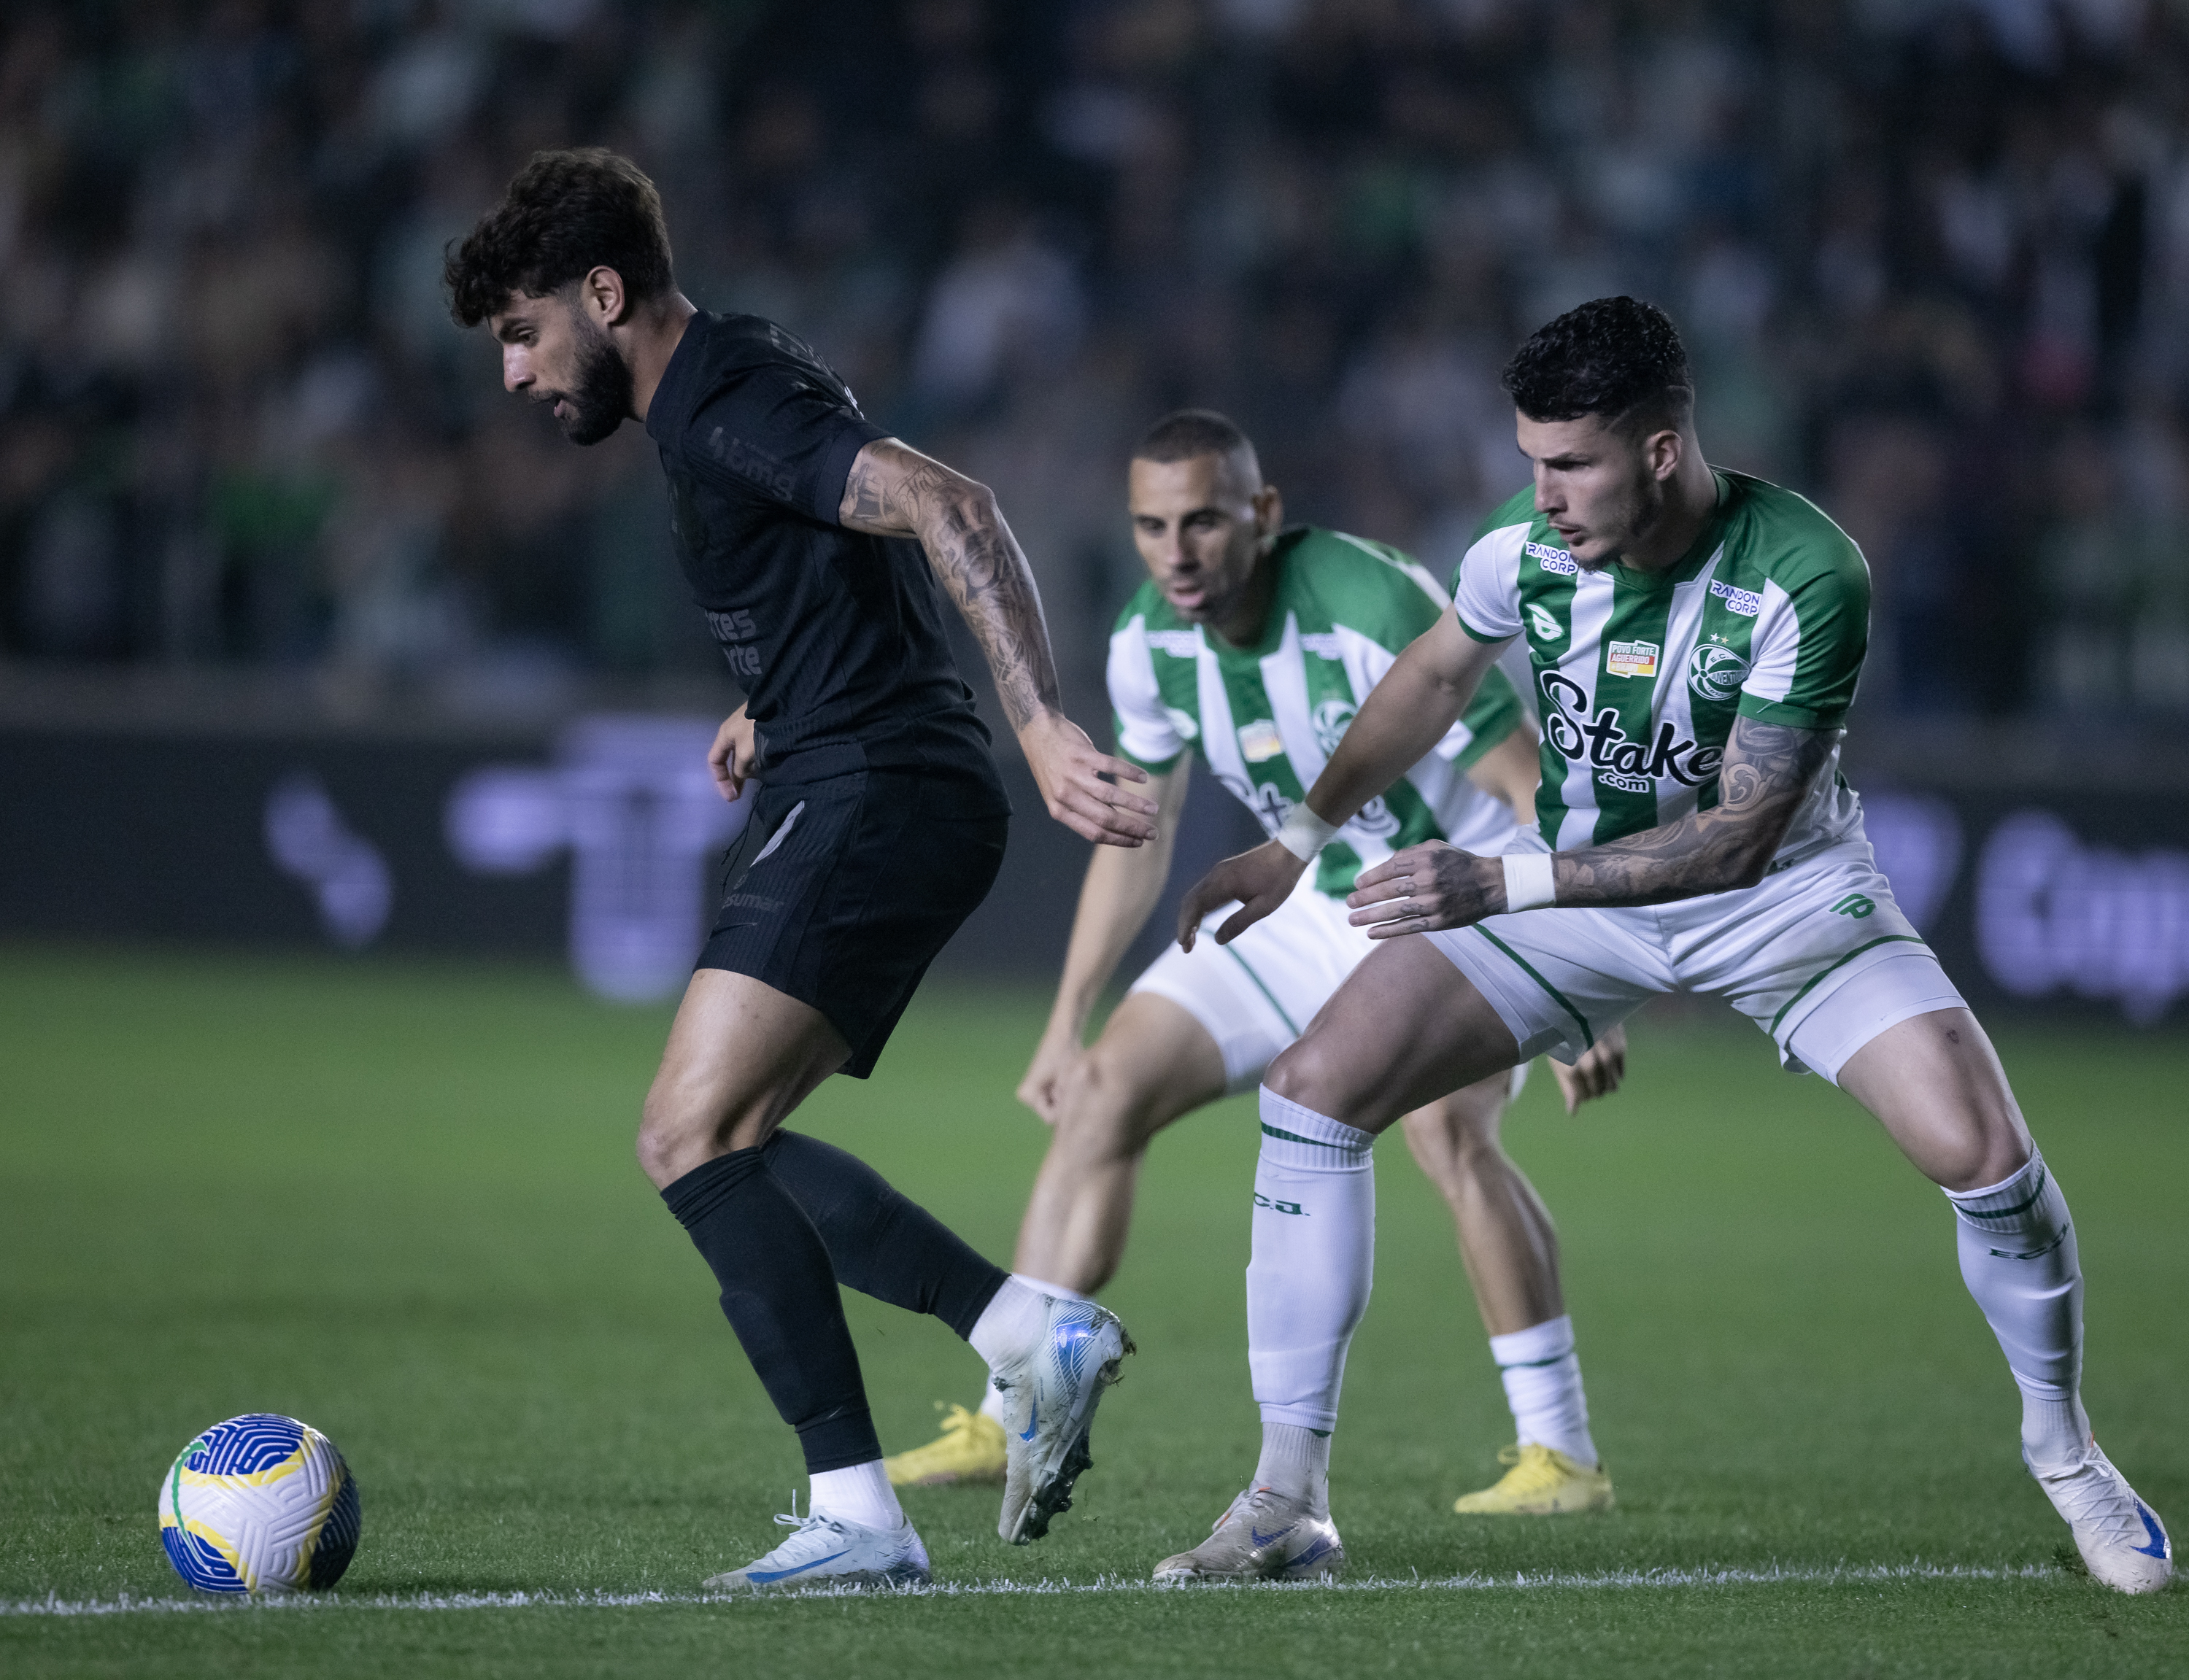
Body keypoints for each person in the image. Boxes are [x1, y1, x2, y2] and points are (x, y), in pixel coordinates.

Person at [1170, 297, 2175, 1595]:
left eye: (1571, 463)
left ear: (1659, 449)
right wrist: (1297, 838)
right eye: (1531, 461)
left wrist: (1502, 880)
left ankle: (2069, 1455)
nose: (1543, 496)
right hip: (1571, 897)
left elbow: (1739, 840)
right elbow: (1433, 677)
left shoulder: (1806, 570)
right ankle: (1285, 1501)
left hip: (1781, 902)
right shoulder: (1520, 550)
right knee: (1312, 1090)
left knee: (1984, 1154)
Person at [444, 148, 1154, 1592]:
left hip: (881, 789)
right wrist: (772, 698)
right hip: (861, 771)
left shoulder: (725, 402)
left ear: (602, 293)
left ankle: (867, 1509)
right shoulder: (728, 377)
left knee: (684, 1136)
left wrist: (1040, 721)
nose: (513, 373)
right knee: (732, 1144)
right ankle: (1026, 1334)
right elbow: (837, 555)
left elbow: (955, 506)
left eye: (522, 332)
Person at [883, 410, 1629, 1570]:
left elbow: (1524, 775)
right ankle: (1007, 1411)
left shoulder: (1369, 598)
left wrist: (1572, 964)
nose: (1176, 552)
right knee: (1104, 1092)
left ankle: (1561, 1452)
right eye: (1151, 527)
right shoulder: (1148, 643)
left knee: (1446, 1135)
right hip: (1303, 906)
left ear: (1263, 514)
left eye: (1202, 522)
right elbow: (1138, 835)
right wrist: (1067, 1020)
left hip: (1446, 906)